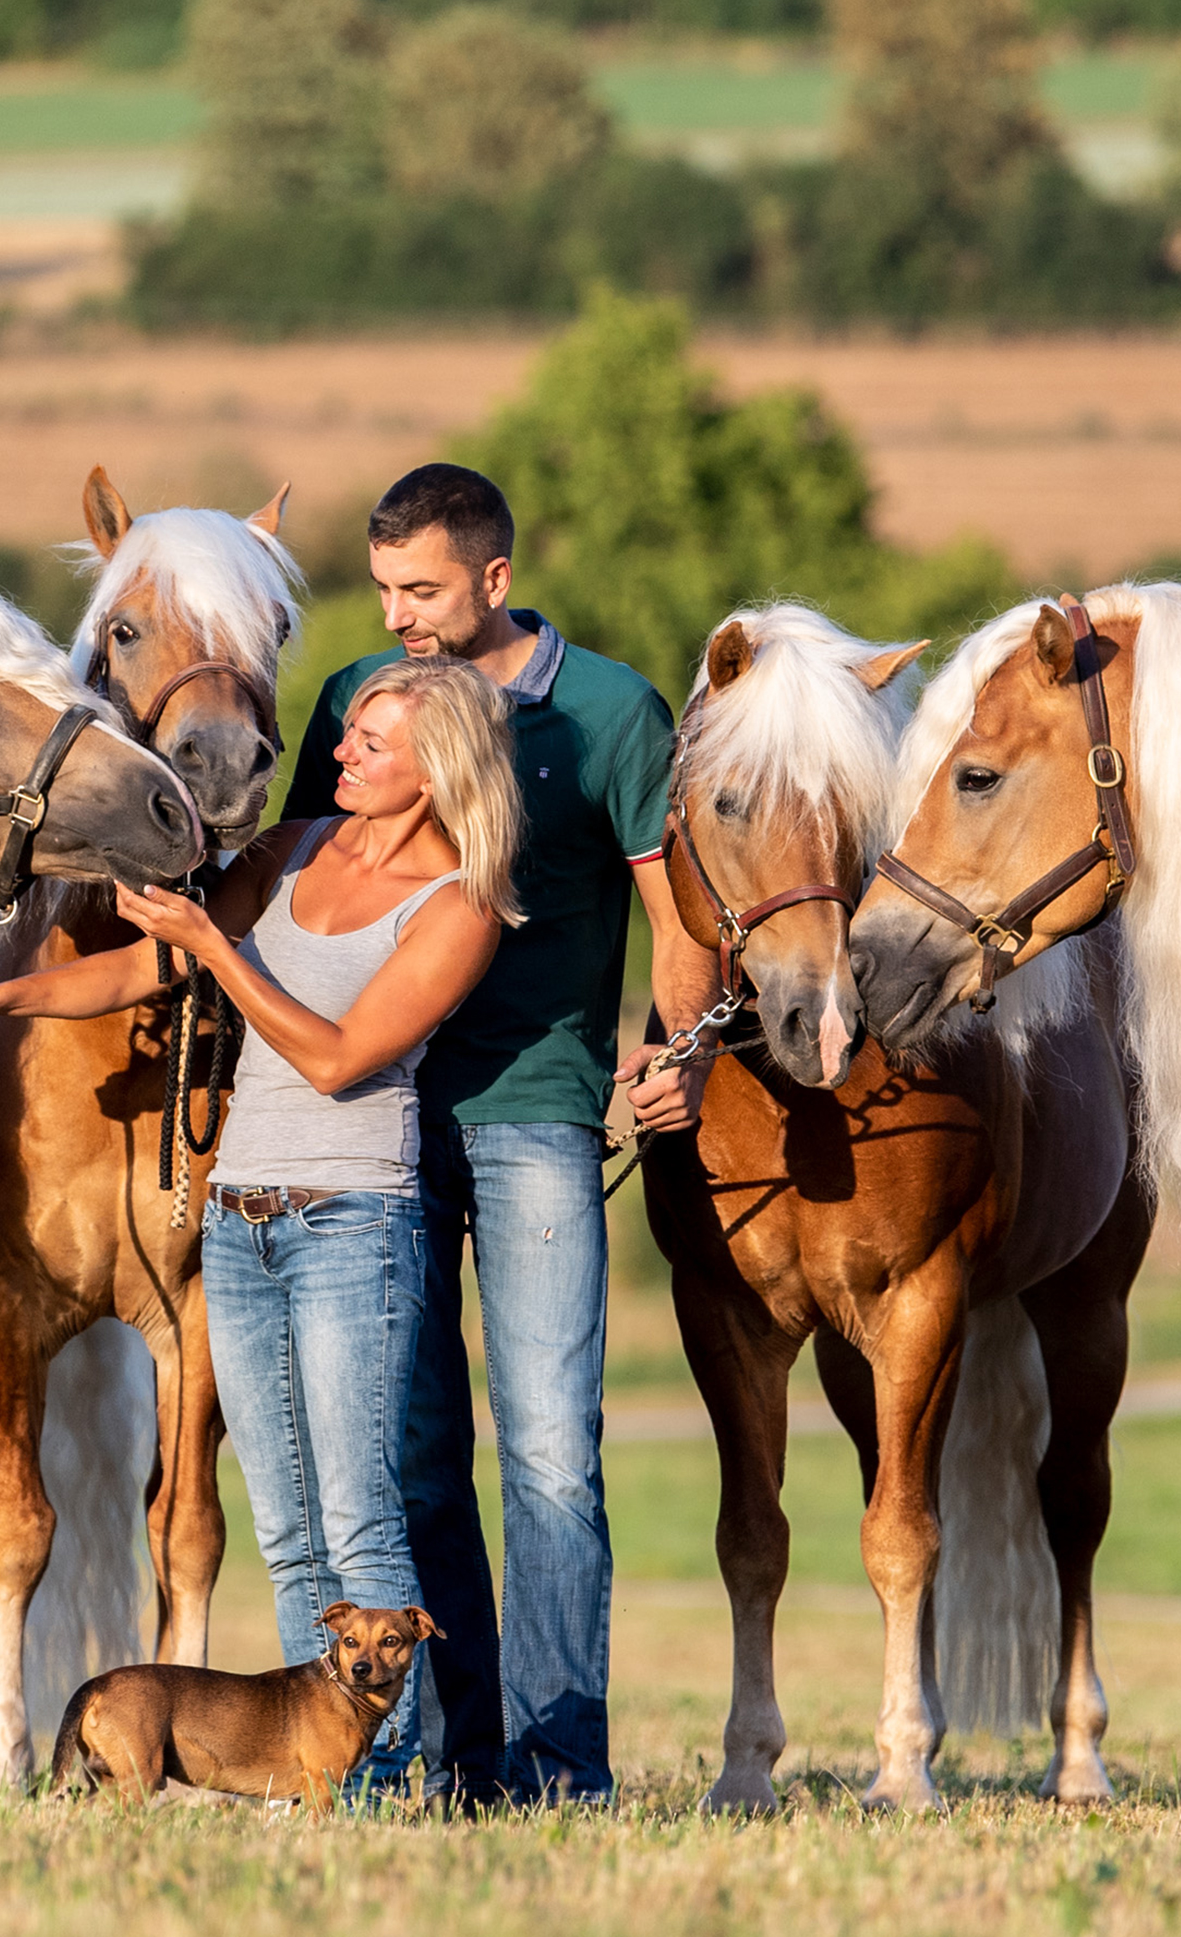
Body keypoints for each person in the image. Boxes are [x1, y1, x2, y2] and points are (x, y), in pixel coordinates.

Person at [0, 656, 525, 1790]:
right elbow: (149, 968)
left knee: (361, 1516)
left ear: (436, 772)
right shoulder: (294, 852)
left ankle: (382, 1782)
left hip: (352, 1228)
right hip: (240, 1224)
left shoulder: (461, 908)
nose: (338, 753)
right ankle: (312, 1777)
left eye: (370, 745)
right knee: (285, 1523)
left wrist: (215, 947)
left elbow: (334, 1058)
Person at [279, 464, 715, 1805]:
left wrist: (674, 1044)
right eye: (385, 590)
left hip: (537, 1108)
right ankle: (463, 1757)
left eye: (423, 589)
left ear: (495, 579)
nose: (400, 617)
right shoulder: (363, 700)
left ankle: (561, 1764)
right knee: (411, 1452)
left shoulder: (609, 711)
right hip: (381, 1121)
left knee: (548, 1455)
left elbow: (680, 914)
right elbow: (303, 874)